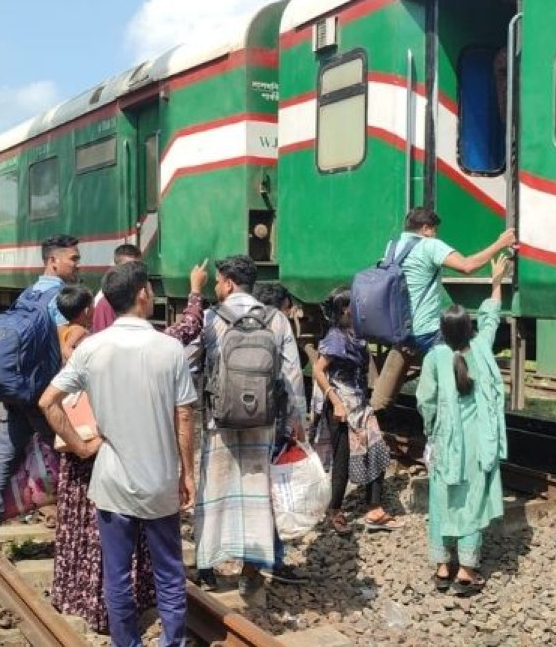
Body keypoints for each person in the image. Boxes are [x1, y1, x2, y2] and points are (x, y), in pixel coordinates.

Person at [40, 260, 197, 647]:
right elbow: (185, 417)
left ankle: (126, 642)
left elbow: (49, 401)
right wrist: (188, 474)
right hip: (159, 479)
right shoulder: (169, 348)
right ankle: (171, 642)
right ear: (142, 293)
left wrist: (80, 446)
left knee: (118, 574)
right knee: (169, 572)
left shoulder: (92, 347)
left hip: (110, 481)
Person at [192, 255, 307, 593]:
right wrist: (297, 419)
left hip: (219, 422)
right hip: (263, 421)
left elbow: (190, 363)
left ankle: (207, 567)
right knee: (257, 495)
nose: (216, 286)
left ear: (228, 282)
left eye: (217, 281)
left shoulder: (212, 318)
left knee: (214, 492)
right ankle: (252, 570)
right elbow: (291, 375)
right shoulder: (276, 319)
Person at [0, 235, 80, 545]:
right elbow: (66, 345)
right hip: (42, 392)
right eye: (73, 259)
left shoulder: (28, 293)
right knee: (68, 449)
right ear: (53, 261)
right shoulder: (59, 298)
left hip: (17, 387)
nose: (77, 264)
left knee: (4, 451)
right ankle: (78, 518)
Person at [416, 255, 509, 597]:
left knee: (442, 500)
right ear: (469, 329)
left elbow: (425, 401)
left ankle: (442, 567)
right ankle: (467, 570)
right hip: (480, 443)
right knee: (473, 499)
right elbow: (492, 317)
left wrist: (431, 432)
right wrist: (496, 280)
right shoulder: (483, 348)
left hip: (447, 442)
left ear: (442, 332)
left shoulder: (435, 358)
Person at [368, 208, 516, 412]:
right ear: (426, 229)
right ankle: (452, 417)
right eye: (435, 230)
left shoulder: (393, 246)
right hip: (427, 332)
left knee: (389, 383)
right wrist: (500, 243)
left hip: (401, 329)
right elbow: (467, 266)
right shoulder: (429, 245)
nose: (436, 234)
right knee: (462, 370)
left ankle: (371, 413)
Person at [313, 287, 395, 535]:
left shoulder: (354, 334)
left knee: (377, 449)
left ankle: (374, 508)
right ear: (346, 309)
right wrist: (335, 401)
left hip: (360, 405)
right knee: (343, 461)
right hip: (342, 406)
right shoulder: (336, 337)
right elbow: (318, 370)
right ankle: (335, 511)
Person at [90, 243, 143, 333]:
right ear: (116, 268)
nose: (134, 272)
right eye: (127, 268)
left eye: (138, 267)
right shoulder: (105, 302)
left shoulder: (136, 296)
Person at [55, 284, 93, 361]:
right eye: (92, 305)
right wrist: (79, 366)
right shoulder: (79, 330)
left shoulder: (65, 327)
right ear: (86, 310)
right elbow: (66, 349)